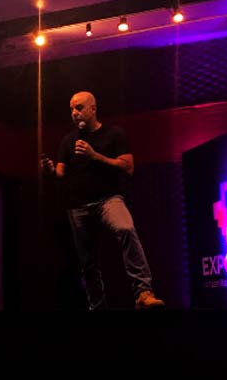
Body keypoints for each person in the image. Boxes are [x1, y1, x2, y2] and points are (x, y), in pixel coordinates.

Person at [41, 91, 165, 310]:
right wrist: (50, 170)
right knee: (87, 262)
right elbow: (61, 173)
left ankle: (143, 293)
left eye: (79, 108)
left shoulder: (114, 134)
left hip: (108, 199)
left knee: (125, 228)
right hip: (78, 205)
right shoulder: (68, 140)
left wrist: (95, 155)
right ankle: (97, 307)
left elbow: (128, 167)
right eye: (71, 109)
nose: (74, 113)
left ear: (93, 109)